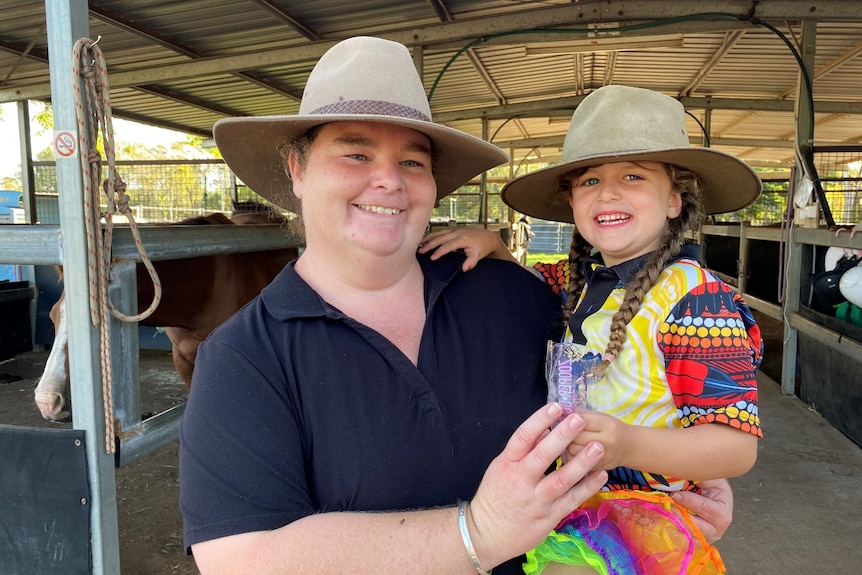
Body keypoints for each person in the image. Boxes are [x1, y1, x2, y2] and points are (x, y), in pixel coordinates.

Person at [179, 36, 735, 574]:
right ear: (297, 169)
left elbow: (623, 397)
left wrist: (670, 481)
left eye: (414, 162)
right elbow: (240, 557)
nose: (388, 181)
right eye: (355, 152)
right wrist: (479, 532)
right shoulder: (243, 356)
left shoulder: (515, 297)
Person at [419, 85, 763, 574]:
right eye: (588, 180)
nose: (608, 192)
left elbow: (736, 447)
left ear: (673, 201)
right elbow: (533, 284)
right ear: (574, 205)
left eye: (633, 176)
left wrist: (624, 443)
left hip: (642, 518)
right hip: (576, 499)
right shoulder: (583, 281)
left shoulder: (698, 302)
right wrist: (494, 247)